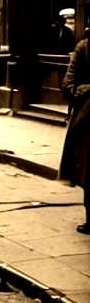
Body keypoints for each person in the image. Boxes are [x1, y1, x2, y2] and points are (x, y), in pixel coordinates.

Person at [60, 28, 90, 234]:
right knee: (89, 169)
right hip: (89, 119)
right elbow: (68, 84)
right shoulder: (84, 47)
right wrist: (82, 89)